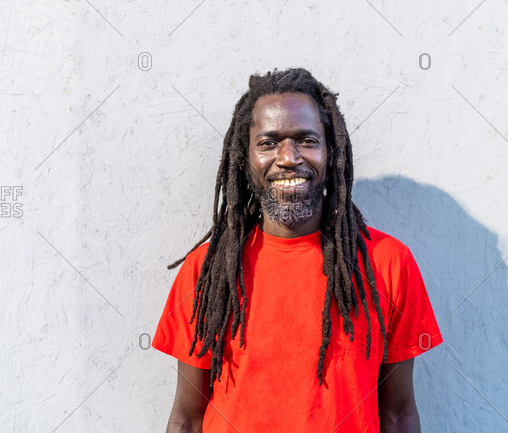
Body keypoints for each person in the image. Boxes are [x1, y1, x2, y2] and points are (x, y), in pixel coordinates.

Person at [152, 67, 443, 433]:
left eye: (306, 140)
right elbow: (187, 418)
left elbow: (398, 413)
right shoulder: (207, 274)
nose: (288, 157)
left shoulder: (388, 263)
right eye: (268, 142)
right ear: (244, 159)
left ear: (331, 153)